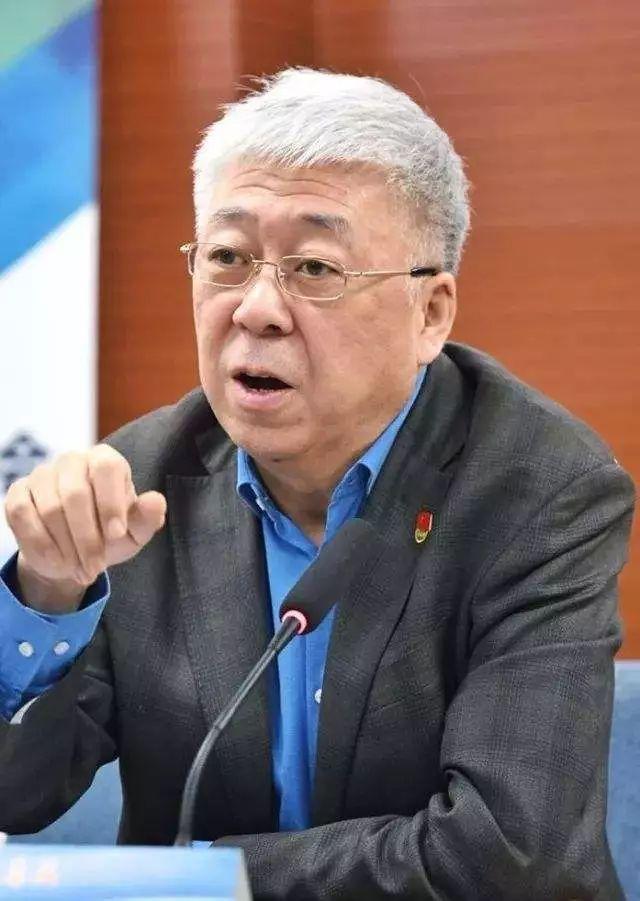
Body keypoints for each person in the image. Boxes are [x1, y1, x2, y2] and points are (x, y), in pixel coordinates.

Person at [0, 68, 634, 900]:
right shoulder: (146, 482)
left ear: (430, 312)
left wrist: (207, 880)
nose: (256, 308)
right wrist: (47, 594)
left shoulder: (539, 490)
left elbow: (507, 855)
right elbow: (17, 794)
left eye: (314, 267)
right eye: (227, 258)